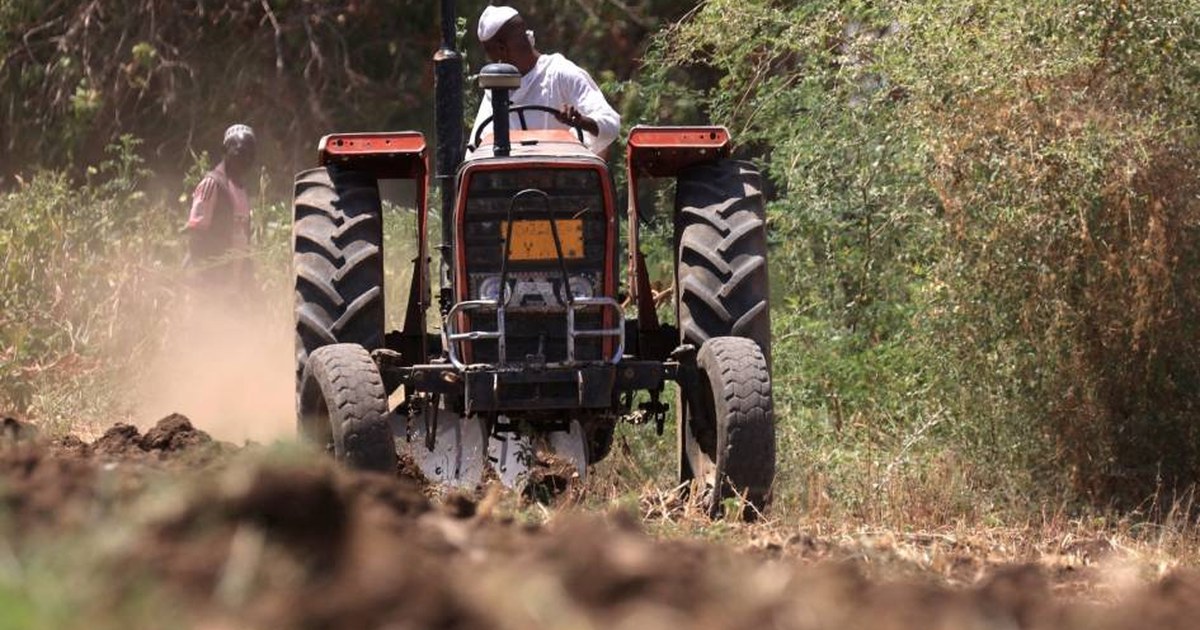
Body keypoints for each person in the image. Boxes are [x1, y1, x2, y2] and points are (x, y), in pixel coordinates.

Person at [471, 5, 620, 156]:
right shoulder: (498, 87)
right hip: (513, 175)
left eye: (491, 55)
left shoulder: (559, 73)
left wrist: (580, 121)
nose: (493, 62)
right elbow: (476, 147)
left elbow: (610, 123)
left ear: (502, 49)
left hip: (562, 171)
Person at [184, 124, 257, 290]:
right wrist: (206, 279)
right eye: (240, 153)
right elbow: (196, 236)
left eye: (250, 155)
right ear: (225, 151)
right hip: (207, 283)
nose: (245, 159)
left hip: (231, 287)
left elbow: (244, 243)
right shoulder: (212, 185)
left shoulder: (242, 191)